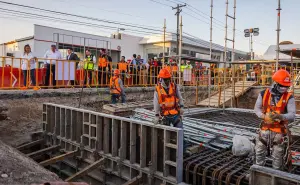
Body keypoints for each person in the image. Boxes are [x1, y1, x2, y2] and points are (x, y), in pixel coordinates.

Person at [254, 69, 296, 170]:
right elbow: (256, 109)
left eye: (286, 86)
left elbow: (292, 115)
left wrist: (281, 117)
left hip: (279, 133)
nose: (284, 88)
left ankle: (275, 178)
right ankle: (258, 174)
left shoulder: (289, 97)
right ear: (275, 83)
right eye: (282, 86)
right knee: (259, 154)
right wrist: (264, 116)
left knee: (278, 159)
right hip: (264, 131)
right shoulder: (263, 94)